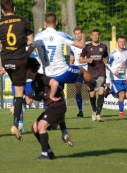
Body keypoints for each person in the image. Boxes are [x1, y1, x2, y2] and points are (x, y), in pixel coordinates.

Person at [27, 12, 100, 147]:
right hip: (62, 72)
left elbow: (27, 52)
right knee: (82, 70)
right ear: (56, 22)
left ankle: (64, 132)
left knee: (58, 100)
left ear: (44, 23)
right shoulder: (60, 34)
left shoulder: (38, 36)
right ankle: (96, 85)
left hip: (47, 76)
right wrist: (83, 38)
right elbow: (82, 46)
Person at [0, 0, 34, 140]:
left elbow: (0, 44)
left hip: (6, 60)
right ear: (14, 9)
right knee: (19, 94)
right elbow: (31, 41)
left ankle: (15, 108)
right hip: (19, 59)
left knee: (17, 89)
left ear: (2, 10)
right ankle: (16, 124)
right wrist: (22, 46)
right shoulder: (22, 21)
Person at [26, 57, 66, 160]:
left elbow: (55, 83)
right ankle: (49, 152)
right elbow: (40, 98)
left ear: (29, 70)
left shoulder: (41, 77)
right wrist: (31, 97)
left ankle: (45, 155)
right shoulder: (33, 82)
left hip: (57, 106)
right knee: (34, 128)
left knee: (41, 127)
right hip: (52, 107)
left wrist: (52, 96)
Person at [79, 29, 108, 122]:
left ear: (99, 36)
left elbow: (106, 57)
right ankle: (94, 111)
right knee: (92, 95)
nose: (95, 36)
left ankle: (98, 114)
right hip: (91, 74)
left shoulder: (103, 47)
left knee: (101, 92)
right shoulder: (87, 47)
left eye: (97, 35)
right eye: (93, 35)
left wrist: (106, 60)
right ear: (91, 36)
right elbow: (80, 60)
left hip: (101, 73)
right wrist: (87, 60)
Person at [105, 36, 127, 117]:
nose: (122, 43)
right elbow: (107, 64)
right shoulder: (113, 54)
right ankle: (121, 113)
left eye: (123, 42)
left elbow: (126, 60)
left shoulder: (126, 51)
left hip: (123, 77)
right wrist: (114, 71)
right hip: (115, 77)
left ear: (125, 42)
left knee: (126, 96)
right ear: (117, 42)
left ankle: (110, 91)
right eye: (120, 41)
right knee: (121, 94)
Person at [69, 27, 88, 117]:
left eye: (79, 33)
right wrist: (71, 63)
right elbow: (72, 56)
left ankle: (95, 110)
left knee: (91, 89)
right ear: (74, 35)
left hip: (87, 69)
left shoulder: (87, 45)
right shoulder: (72, 45)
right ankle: (80, 111)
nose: (78, 35)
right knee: (78, 89)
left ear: (82, 33)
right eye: (76, 34)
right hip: (78, 69)